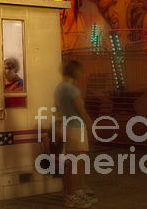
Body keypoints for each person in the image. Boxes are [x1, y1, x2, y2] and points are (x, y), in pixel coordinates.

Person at [55, 60, 96, 208]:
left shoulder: (59, 89)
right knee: (76, 164)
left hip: (65, 127)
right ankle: (73, 196)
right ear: (75, 72)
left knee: (69, 164)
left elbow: (57, 110)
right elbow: (81, 111)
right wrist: (91, 126)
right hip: (76, 128)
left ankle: (70, 192)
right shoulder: (72, 90)